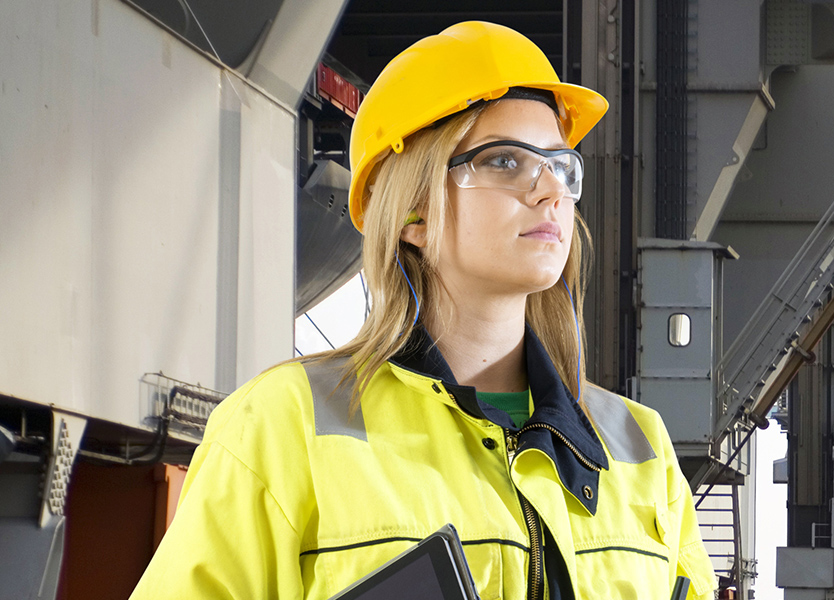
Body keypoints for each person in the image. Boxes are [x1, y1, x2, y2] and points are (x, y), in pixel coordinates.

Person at [131, 21, 716, 600]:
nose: (550, 192)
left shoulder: (642, 446)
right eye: (505, 162)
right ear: (413, 211)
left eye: (561, 166)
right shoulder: (282, 427)